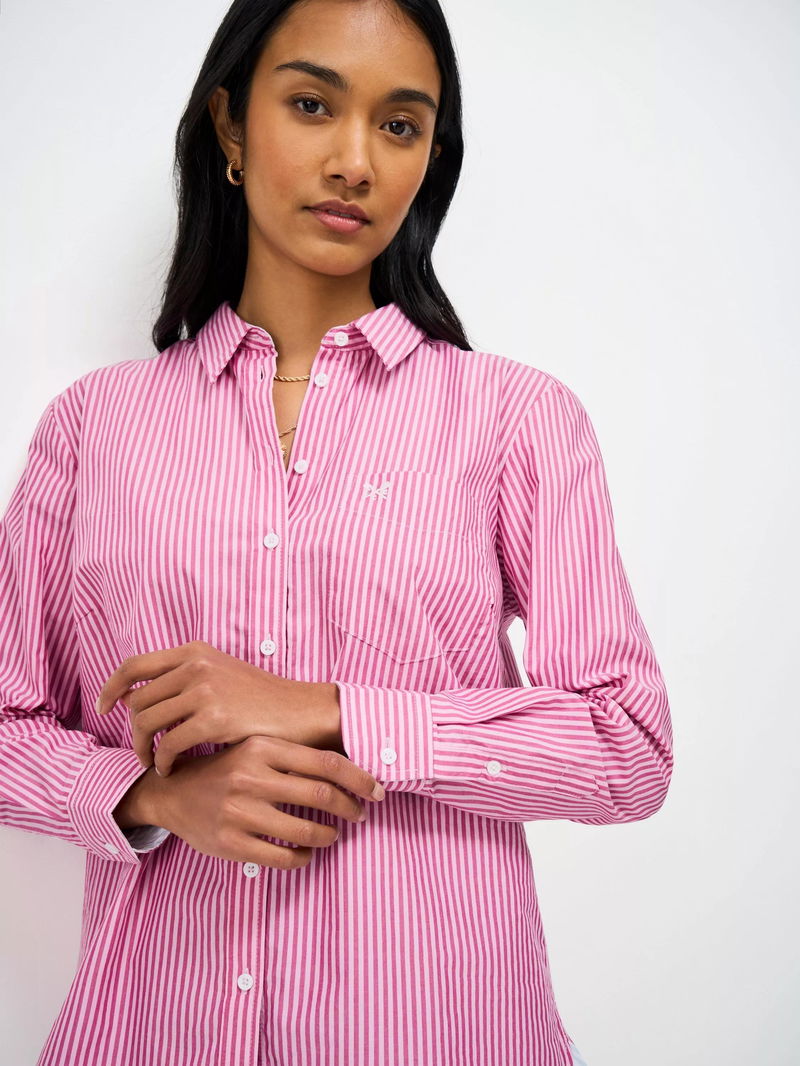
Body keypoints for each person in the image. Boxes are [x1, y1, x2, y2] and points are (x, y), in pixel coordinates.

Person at [0, 1, 673, 1064]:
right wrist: (149, 794)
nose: (354, 162)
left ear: (429, 160)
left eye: (399, 126)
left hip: (436, 1029)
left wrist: (329, 711)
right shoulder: (92, 428)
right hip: (152, 1030)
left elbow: (625, 746)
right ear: (230, 124)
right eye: (312, 105)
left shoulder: (515, 420)